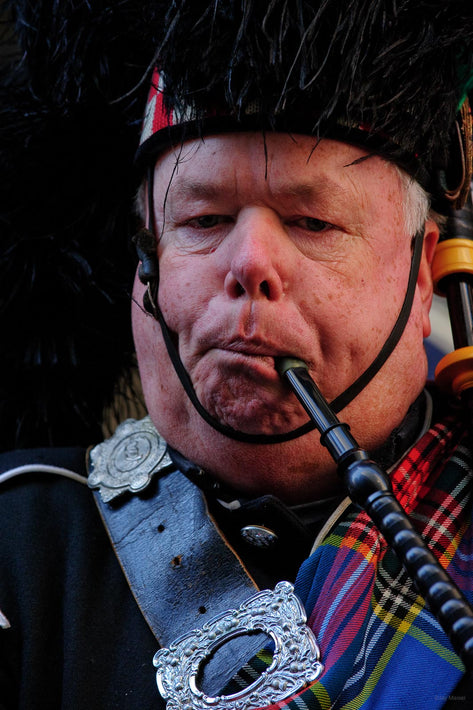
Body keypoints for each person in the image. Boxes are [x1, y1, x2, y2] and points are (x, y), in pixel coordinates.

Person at [1, 2, 473, 708]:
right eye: (203, 219)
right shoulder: (18, 544)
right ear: (144, 266)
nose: (250, 260)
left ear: (421, 270)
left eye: (313, 221)